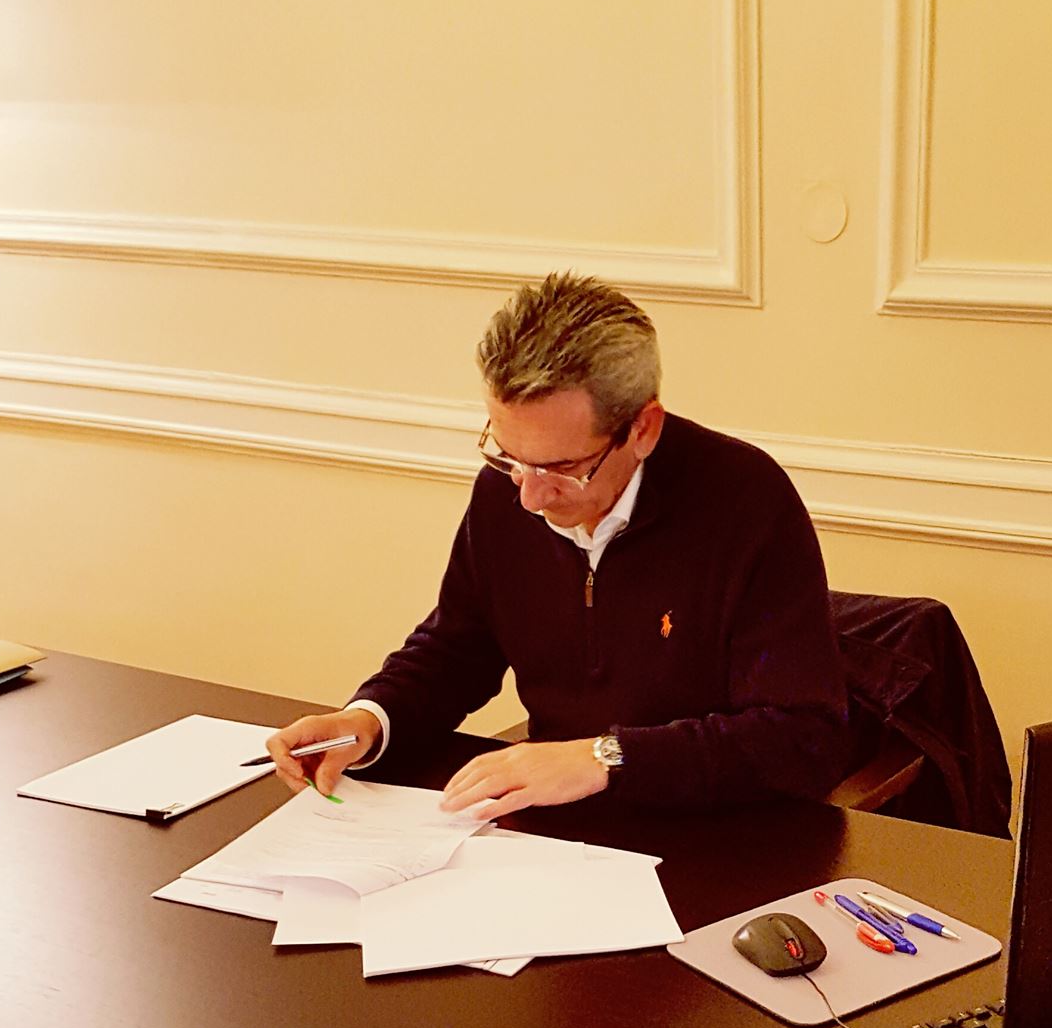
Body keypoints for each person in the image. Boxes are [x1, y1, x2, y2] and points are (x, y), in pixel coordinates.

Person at [266, 273, 846, 819]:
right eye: (509, 456)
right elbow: (456, 649)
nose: (529, 498)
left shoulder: (745, 501)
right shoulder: (507, 489)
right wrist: (368, 720)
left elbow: (802, 737)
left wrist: (606, 758)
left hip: (716, 834)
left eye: (563, 469)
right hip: (558, 833)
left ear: (642, 429)